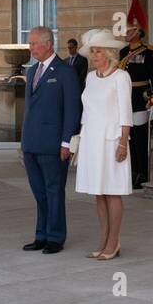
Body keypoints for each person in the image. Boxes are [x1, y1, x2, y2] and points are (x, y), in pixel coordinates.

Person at [20, 26, 80, 254]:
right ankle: (41, 234)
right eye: (30, 43)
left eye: (34, 43)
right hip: (32, 142)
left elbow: (72, 110)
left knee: (54, 190)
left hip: (54, 144)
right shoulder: (32, 71)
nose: (31, 47)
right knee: (39, 191)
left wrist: (66, 142)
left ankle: (55, 236)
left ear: (48, 44)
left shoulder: (64, 71)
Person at [74, 27, 132, 259]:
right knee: (98, 193)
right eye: (92, 52)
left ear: (108, 53)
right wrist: (81, 138)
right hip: (91, 140)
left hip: (111, 141)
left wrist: (123, 143)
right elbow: (87, 111)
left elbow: (125, 114)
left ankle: (114, 241)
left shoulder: (121, 77)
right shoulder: (90, 77)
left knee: (112, 192)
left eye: (97, 52)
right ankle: (103, 238)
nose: (94, 56)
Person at [117, 0, 153, 188]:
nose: (126, 33)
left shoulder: (148, 53)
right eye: (125, 30)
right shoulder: (123, 52)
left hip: (140, 98)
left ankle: (141, 173)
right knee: (129, 138)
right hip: (125, 98)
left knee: (140, 139)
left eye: (130, 30)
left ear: (139, 32)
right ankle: (132, 170)